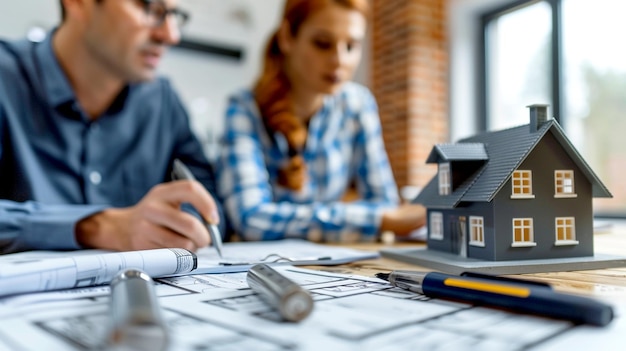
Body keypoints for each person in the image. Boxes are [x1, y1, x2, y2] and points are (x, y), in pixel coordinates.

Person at [0, 0, 224, 254]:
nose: (171, 35)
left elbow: (211, 205)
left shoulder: (162, 102)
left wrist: (181, 224)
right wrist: (97, 227)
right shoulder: (5, 78)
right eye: (150, 8)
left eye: (174, 14)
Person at [217, 0, 426, 242]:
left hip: (338, 264)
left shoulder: (358, 103)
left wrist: (365, 214)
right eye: (322, 44)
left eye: (352, 46)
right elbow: (251, 219)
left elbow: (384, 202)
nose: (340, 60)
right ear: (287, 37)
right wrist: (374, 219)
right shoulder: (244, 108)